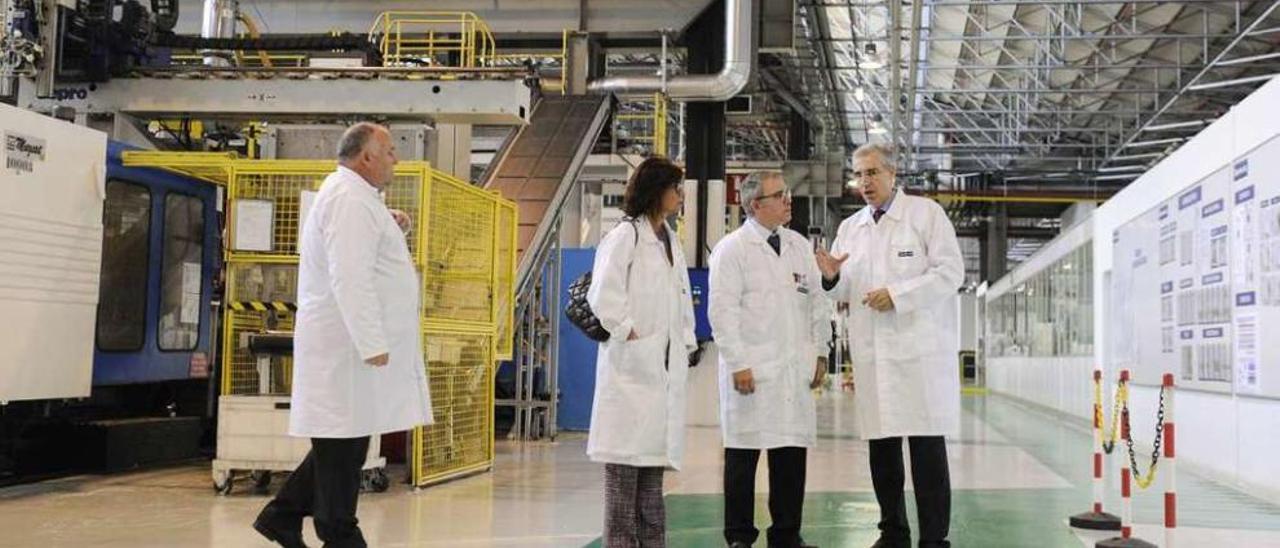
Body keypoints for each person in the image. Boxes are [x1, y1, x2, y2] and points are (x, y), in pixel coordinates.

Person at [253, 122, 432, 548]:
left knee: (344, 441)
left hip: (350, 351)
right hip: (347, 349)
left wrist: (392, 228)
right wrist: (371, 341)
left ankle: (282, 515)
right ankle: (337, 533)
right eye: (389, 151)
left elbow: (360, 253)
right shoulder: (349, 198)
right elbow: (350, 277)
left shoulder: (356, 197)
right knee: (343, 448)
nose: (396, 160)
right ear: (366, 156)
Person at [815, 143, 964, 548]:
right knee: (882, 452)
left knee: (926, 453)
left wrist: (898, 294)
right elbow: (844, 288)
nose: (865, 182)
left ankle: (934, 539)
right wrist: (830, 278)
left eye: (872, 173)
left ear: (893, 174)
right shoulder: (851, 228)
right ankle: (893, 531)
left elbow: (952, 272)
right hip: (873, 356)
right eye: (859, 174)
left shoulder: (924, 215)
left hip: (919, 356)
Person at [708, 171, 829, 548]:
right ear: (755, 205)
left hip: (794, 372)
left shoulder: (797, 246)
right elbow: (721, 312)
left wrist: (822, 352)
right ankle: (740, 537)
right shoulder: (732, 249)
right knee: (743, 460)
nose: (788, 200)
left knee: (790, 458)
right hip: (753, 372)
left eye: (787, 194)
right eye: (780, 195)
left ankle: (786, 534)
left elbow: (818, 304)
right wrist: (738, 362)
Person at [586, 156, 698, 548]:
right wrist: (628, 332)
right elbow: (602, 295)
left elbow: (681, 297)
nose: (681, 196)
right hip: (631, 374)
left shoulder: (669, 238)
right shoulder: (625, 237)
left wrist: (686, 341)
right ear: (657, 190)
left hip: (659, 375)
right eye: (676, 189)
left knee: (652, 480)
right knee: (622, 482)